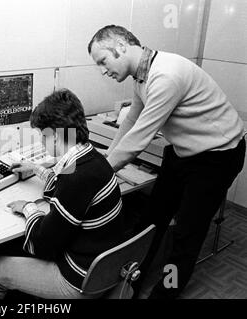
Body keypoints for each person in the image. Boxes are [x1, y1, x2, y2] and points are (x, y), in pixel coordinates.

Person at [87, 25, 246, 299]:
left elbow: (138, 141)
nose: (103, 70)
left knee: (185, 235)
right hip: (183, 151)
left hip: (217, 156)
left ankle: (164, 294)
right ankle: (130, 282)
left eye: (103, 61)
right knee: (151, 220)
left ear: (121, 46)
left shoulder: (166, 75)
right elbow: (131, 121)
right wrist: (105, 159)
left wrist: (94, 178)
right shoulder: (142, 76)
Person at [0, 88, 125, 299]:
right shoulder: (92, 158)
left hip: (78, 280)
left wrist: (28, 209)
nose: (42, 142)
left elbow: (44, 245)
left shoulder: (77, 178)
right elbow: (62, 181)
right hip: (104, 268)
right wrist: (35, 168)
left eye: (43, 136)